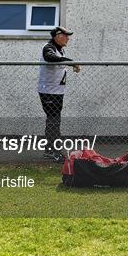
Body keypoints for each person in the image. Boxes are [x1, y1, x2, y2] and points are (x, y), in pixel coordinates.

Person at [38, 26, 80, 162]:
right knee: (53, 121)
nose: (68, 38)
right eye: (65, 35)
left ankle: (53, 149)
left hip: (57, 92)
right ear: (57, 36)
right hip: (48, 92)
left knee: (55, 121)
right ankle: (51, 150)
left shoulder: (60, 49)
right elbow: (49, 58)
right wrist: (70, 62)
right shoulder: (48, 47)